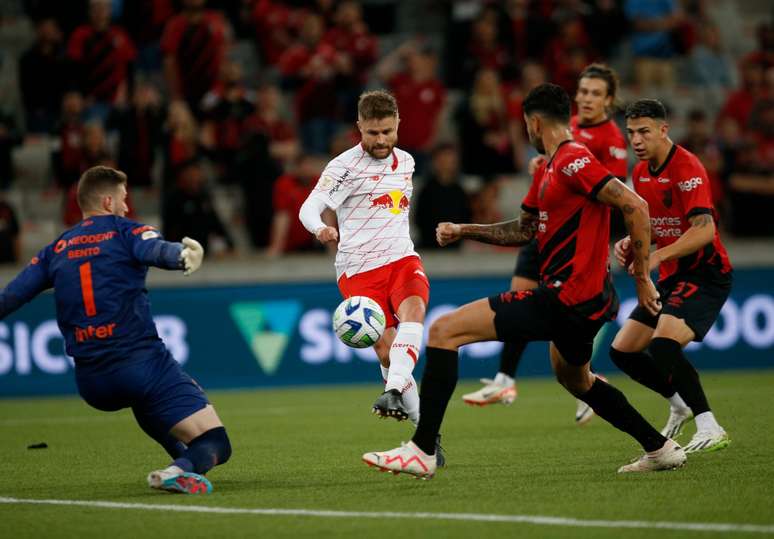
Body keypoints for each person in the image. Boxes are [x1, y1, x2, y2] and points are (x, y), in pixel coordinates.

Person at [362, 83, 686, 478]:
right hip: (585, 301)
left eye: (525, 125)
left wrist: (641, 278)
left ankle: (422, 450)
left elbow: (634, 204)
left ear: (534, 122)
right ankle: (659, 447)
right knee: (576, 378)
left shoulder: (572, 160)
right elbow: (523, 229)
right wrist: (466, 230)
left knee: (444, 331)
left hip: (566, 297)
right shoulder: (547, 168)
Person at [0, 166, 231, 494]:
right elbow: (154, 249)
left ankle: (181, 465)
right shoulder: (125, 232)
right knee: (216, 440)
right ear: (108, 202)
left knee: (146, 402)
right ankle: (181, 468)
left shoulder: (57, 249)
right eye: (124, 199)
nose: (127, 207)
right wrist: (180, 255)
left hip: (92, 382)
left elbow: (11, 296)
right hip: (139, 365)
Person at [463, 64, 628, 427]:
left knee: (574, 320)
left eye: (595, 93)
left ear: (609, 100)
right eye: (582, 91)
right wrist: (545, 164)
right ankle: (506, 379)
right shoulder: (565, 129)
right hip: (541, 222)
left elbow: (613, 193)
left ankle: (589, 378)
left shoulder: (610, 140)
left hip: (576, 238)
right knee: (520, 292)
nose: (586, 98)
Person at [298, 90, 444, 465]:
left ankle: (393, 390)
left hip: (401, 258)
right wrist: (320, 229)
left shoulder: (407, 162)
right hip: (358, 269)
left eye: (388, 132)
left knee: (414, 314)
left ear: (398, 125)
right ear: (359, 127)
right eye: (373, 133)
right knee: (385, 348)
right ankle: (426, 434)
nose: (381, 141)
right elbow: (309, 207)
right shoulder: (343, 167)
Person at [610, 99, 732, 453]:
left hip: (706, 273)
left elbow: (704, 230)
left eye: (644, 131)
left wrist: (656, 256)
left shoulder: (687, 166)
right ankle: (678, 402)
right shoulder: (640, 173)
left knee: (663, 345)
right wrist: (631, 245)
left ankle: (710, 424)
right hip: (673, 275)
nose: (636, 139)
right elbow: (649, 225)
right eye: (631, 132)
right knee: (624, 351)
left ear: (664, 130)